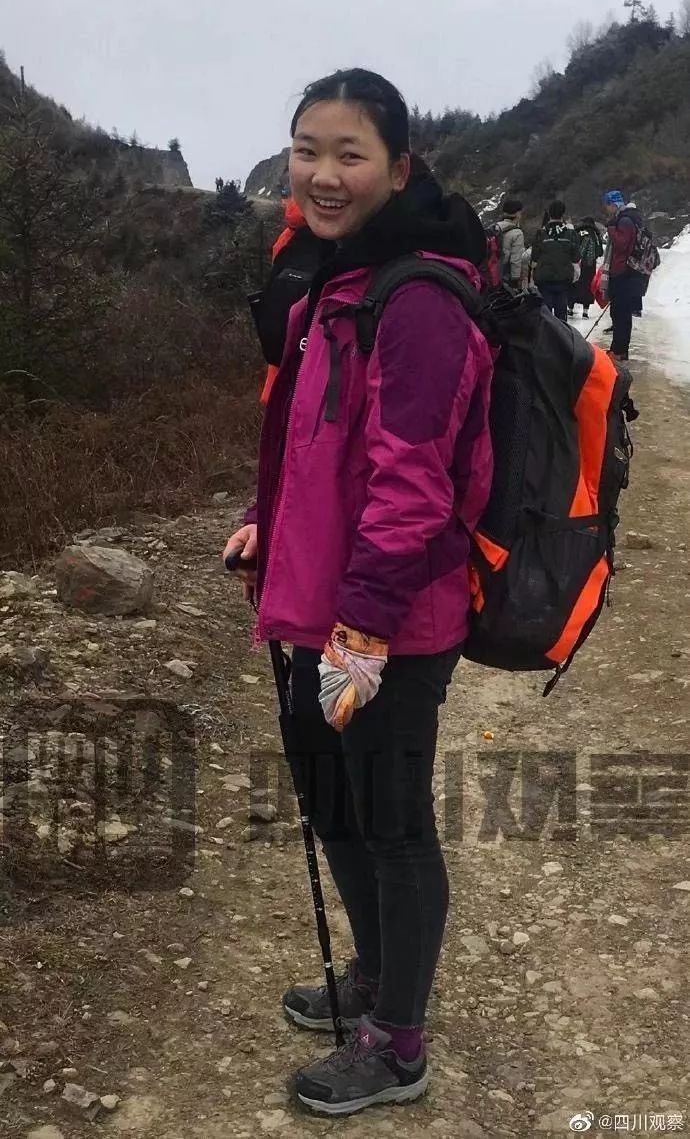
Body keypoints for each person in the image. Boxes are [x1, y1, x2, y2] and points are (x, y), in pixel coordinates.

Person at [224, 68, 494, 1117]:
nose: (324, 174)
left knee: (390, 819)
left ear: (399, 167)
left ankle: (399, 1043)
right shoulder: (335, 279)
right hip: (322, 606)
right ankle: (377, 977)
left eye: (351, 154)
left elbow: (412, 486)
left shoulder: (417, 298)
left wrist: (365, 633)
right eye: (308, 150)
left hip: (387, 622)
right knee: (334, 798)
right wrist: (270, 522)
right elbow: (316, 444)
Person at [600, 190, 649, 362]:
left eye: (607, 205)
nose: (606, 209)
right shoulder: (629, 218)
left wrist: (611, 228)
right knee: (620, 313)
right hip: (626, 272)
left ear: (613, 204)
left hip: (623, 272)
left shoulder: (625, 220)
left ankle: (619, 350)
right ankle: (619, 349)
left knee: (620, 313)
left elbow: (621, 245)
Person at [531, 200, 581, 323]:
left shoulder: (541, 233)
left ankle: (546, 333)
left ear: (549, 214)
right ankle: (561, 332)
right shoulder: (570, 234)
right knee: (561, 313)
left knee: (545, 314)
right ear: (563, 214)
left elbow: (535, 257)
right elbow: (576, 257)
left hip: (544, 277)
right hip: (564, 277)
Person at [568, 217, 603, 319]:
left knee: (574, 284)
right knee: (588, 287)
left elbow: (574, 247)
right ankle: (585, 312)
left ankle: (570, 309)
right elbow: (600, 251)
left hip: (577, 263)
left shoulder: (579, 232)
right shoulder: (596, 234)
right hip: (590, 265)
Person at [495, 196, 525, 289]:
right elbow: (515, 259)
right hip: (506, 274)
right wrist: (515, 280)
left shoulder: (495, 227)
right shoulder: (517, 233)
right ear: (518, 214)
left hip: (493, 271)